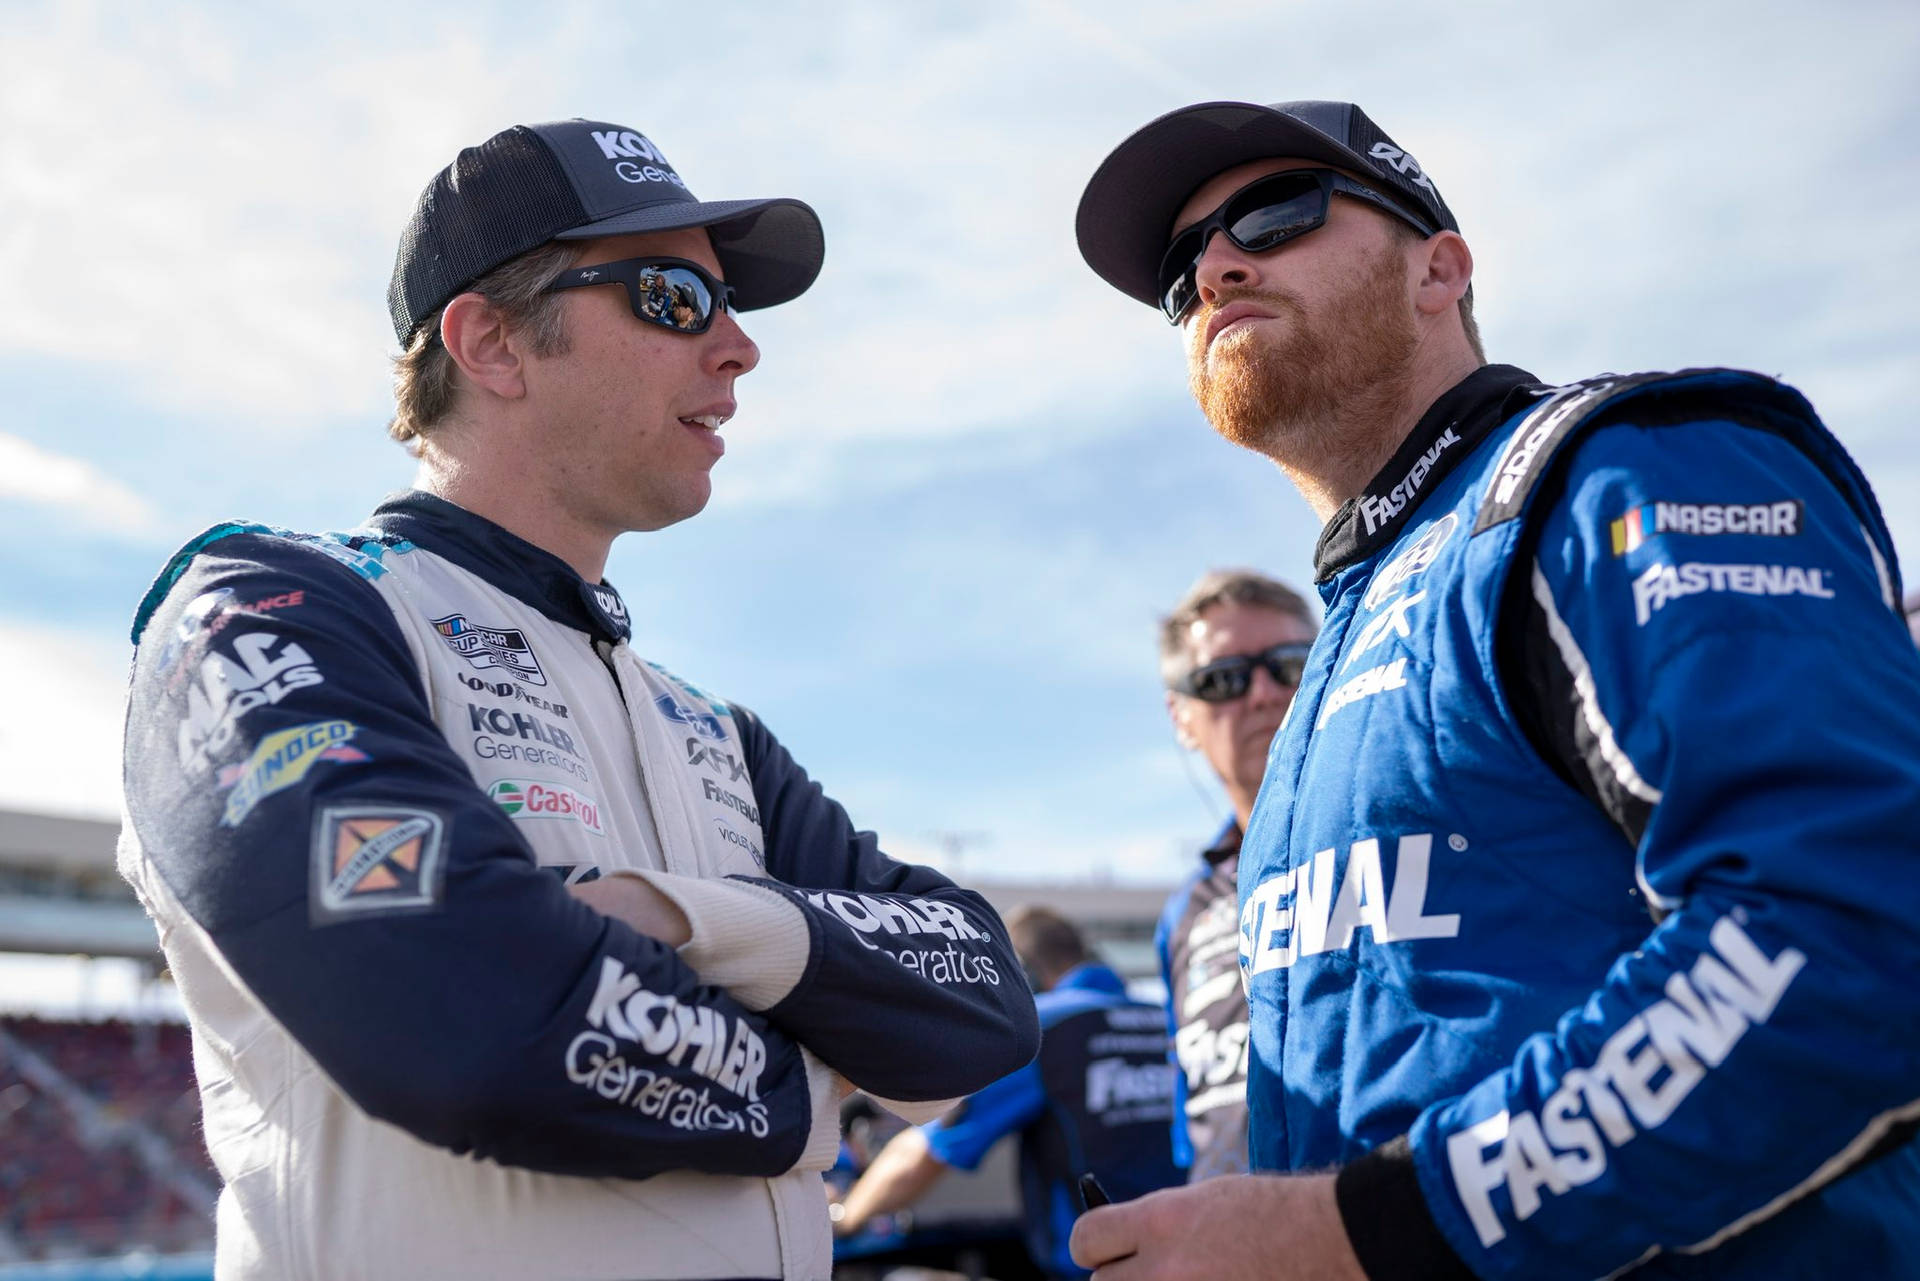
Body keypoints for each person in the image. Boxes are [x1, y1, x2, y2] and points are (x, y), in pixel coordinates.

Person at [116, 117, 1040, 1281]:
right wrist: (820, 1106)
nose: (739, 347)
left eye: (727, 305)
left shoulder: (709, 729)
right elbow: (459, 1016)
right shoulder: (268, 606)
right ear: (493, 343)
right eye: (674, 298)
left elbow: (983, 1002)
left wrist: (693, 919)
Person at [1067, 99, 1920, 1279]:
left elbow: (1855, 930)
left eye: (1273, 214)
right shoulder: (1330, 670)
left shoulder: (1619, 472)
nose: (1215, 264)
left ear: (1440, 269)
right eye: (1180, 270)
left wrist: (1361, 1229)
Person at [835, 907, 1182, 1278]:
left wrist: (845, 1216)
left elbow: (923, 1155)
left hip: (1098, 1266)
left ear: (1020, 973)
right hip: (1194, 1255)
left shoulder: (1041, 1028)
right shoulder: (1163, 1018)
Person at [1154, 569, 1317, 1181]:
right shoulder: (1185, 912)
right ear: (1181, 717)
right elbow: (1191, 1114)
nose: (1263, 695)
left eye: (1290, 665)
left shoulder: (1422, 829)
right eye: (1222, 679)